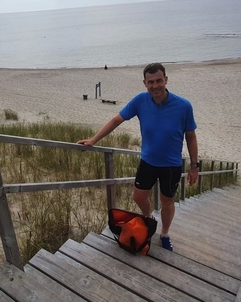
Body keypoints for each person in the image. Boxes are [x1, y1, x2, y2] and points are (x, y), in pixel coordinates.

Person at [77, 62, 199, 252]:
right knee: (138, 196)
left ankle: (165, 233)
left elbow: (191, 136)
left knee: (167, 202)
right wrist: (93, 140)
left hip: (171, 166)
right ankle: (149, 218)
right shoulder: (140, 101)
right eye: (151, 82)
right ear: (145, 83)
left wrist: (194, 166)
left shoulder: (183, 106)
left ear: (166, 80)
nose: (155, 85)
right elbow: (116, 120)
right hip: (148, 161)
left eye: (159, 80)